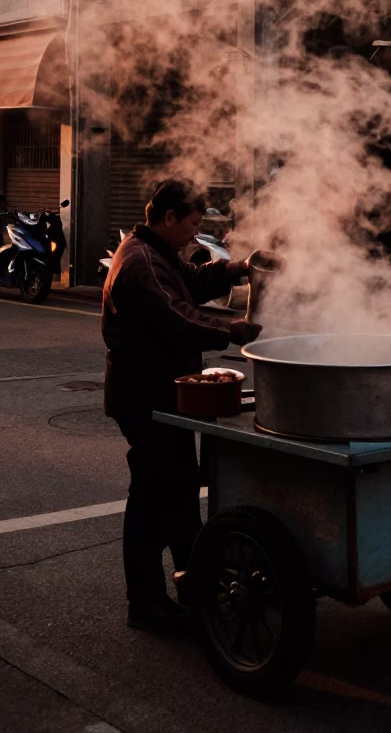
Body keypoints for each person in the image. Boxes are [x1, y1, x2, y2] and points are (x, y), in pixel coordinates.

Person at [102, 178, 260, 632]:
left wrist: (236, 269)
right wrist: (229, 331)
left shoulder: (156, 252)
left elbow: (188, 282)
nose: (196, 234)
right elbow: (177, 315)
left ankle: (191, 587)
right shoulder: (138, 261)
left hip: (165, 396)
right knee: (152, 499)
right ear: (169, 218)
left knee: (178, 495)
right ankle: (146, 603)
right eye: (192, 224)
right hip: (145, 398)